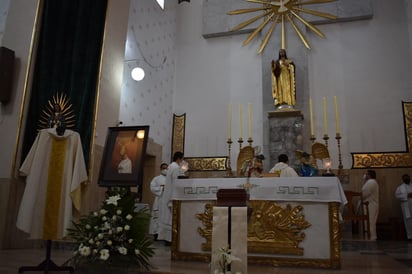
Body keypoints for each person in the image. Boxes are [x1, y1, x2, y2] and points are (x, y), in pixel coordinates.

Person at [157, 151, 184, 245]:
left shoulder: (171, 166)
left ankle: (167, 238)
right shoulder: (176, 167)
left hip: (168, 194)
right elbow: (177, 181)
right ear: (179, 158)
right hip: (173, 194)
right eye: (182, 159)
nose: (182, 161)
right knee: (171, 217)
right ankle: (170, 239)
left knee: (168, 217)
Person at [149, 163, 168, 240]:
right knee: (157, 216)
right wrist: (161, 188)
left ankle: (165, 235)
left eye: (167, 168)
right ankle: (156, 234)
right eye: (164, 168)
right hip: (159, 199)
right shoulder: (156, 179)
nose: (165, 170)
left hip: (167, 201)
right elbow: (152, 187)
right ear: (160, 169)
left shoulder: (170, 179)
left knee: (165, 217)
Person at [361, 169, 379, 241]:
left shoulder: (371, 182)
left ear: (370, 175)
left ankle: (371, 237)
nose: (365, 175)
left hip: (371, 205)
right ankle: (369, 237)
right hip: (370, 204)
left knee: (370, 221)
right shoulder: (370, 182)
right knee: (369, 221)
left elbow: (364, 193)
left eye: (367, 174)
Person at [395, 174, 412, 240]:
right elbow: (397, 196)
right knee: (408, 220)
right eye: (405, 178)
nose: (407, 179)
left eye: (408, 178)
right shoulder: (400, 188)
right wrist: (407, 195)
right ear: (403, 179)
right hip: (406, 206)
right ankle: (410, 236)